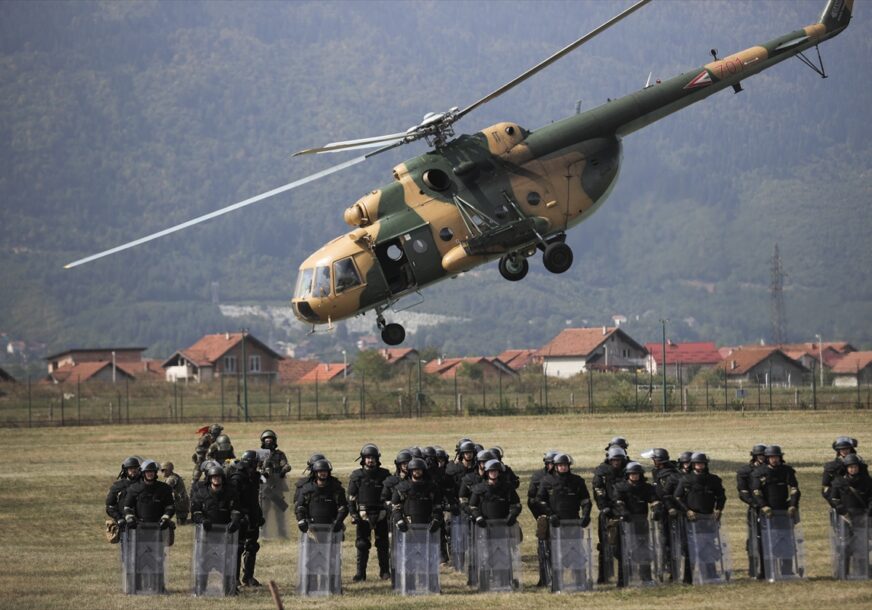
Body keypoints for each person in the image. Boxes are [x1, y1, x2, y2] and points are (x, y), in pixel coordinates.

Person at [536, 453, 591, 589]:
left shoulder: (577, 481)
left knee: (577, 551)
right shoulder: (546, 480)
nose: (563, 467)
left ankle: (580, 582)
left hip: (574, 522)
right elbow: (540, 500)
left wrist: (586, 515)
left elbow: (585, 500)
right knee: (556, 553)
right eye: (560, 465)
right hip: (556, 524)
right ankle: (557, 584)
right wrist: (550, 515)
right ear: (555, 467)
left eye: (565, 465)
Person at [469, 459, 522, 590]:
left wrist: (512, 515)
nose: (493, 473)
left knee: (503, 554)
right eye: (491, 471)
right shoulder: (479, 488)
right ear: (486, 472)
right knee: (486, 555)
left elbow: (516, 504)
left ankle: (505, 582)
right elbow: (472, 506)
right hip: (485, 527)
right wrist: (478, 517)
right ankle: (485, 583)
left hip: (503, 526)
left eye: (495, 471)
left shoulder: (506, 487)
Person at [673, 452, 726, 583]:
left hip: (708, 518)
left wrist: (719, 509)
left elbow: (721, 497)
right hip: (692, 519)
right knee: (690, 548)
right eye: (697, 463)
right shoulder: (685, 479)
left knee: (709, 546)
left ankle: (711, 575)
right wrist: (687, 511)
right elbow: (677, 497)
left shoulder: (713, 479)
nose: (699, 466)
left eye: (702, 463)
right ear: (692, 465)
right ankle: (688, 578)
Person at [750, 445, 801, 578]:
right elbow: (756, 491)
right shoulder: (759, 472)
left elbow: (794, 489)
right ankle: (769, 570)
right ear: (767, 458)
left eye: (776, 457)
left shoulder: (787, 471)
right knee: (769, 541)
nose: (774, 460)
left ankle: (787, 570)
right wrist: (764, 506)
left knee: (787, 540)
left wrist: (793, 505)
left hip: (784, 511)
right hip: (768, 512)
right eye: (771, 457)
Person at [190, 464, 242, 596]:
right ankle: (200, 590)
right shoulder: (201, 492)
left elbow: (236, 509)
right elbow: (195, 511)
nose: (216, 479)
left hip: (225, 534)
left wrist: (235, 520)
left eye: (218, 477)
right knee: (203, 562)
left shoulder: (230, 492)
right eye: (213, 477)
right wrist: (202, 520)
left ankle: (229, 590)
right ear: (209, 478)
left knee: (227, 562)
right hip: (206, 533)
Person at [347, 443, 391, 582]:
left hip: (381, 512)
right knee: (362, 544)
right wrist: (353, 514)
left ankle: (385, 571)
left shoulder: (385, 474)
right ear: (363, 459)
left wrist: (389, 512)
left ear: (377, 459)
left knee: (383, 543)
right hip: (363, 513)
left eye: (373, 457)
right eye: (367, 458)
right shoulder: (356, 476)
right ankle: (361, 573)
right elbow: (351, 498)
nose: (370, 460)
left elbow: (390, 495)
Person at [611, 461, 659, 587]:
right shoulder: (620, 487)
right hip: (626, 523)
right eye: (632, 474)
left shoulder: (646, 487)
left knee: (643, 549)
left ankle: (646, 578)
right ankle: (624, 580)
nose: (635, 476)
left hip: (642, 522)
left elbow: (654, 499)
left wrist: (656, 509)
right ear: (627, 475)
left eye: (637, 474)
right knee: (624, 551)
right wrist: (624, 512)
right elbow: (617, 501)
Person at [829, 453, 872, 579]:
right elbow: (834, 499)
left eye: (855, 467)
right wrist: (843, 511)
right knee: (844, 546)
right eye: (850, 467)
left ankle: (863, 572)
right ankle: (843, 573)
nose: (853, 469)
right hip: (845, 518)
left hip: (863, 517)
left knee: (862, 545)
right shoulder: (838, 482)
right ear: (846, 468)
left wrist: (869, 511)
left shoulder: (867, 481)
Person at [592, 445, 627, 584]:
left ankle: (626, 575)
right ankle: (604, 575)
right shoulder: (602, 471)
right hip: (608, 512)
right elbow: (598, 490)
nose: (616, 462)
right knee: (606, 545)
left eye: (619, 460)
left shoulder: (628, 469)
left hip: (624, 511)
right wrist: (604, 507)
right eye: (614, 460)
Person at [230, 450, 264, 587]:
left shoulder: (255, 477)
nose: (257, 465)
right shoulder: (237, 478)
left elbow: (254, 499)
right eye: (255, 463)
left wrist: (258, 515)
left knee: (252, 546)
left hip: (253, 515)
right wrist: (239, 515)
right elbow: (233, 499)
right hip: (241, 517)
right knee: (237, 547)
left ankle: (248, 577)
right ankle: (234, 578)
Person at [648, 448, 681, 581]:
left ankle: (670, 568)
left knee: (667, 540)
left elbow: (666, 494)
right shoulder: (659, 472)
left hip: (669, 512)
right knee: (663, 540)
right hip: (662, 510)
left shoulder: (667, 475)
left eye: (654, 459)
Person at [737, 444, 767, 579]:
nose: (763, 458)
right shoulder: (745, 471)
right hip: (755, 508)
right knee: (755, 538)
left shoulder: (771, 469)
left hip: (772, 507)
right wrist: (754, 503)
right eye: (760, 455)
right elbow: (743, 492)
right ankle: (754, 568)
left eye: (765, 456)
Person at [528, 449, 558, 587]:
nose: (552, 466)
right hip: (544, 517)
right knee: (543, 548)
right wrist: (539, 516)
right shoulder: (538, 476)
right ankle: (544, 577)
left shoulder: (563, 477)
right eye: (550, 463)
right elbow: (532, 500)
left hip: (561, 517)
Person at [295, 459, 348, 533]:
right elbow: (300, 507)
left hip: (332, 525)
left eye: (325, 471)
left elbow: (343, 507)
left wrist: (339, 521)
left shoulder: (336, 488)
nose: (323, 473)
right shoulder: (307, 489)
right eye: (320, 471)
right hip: (312, 527)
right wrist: (301, 520)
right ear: (315, 473)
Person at [105, 456, 141, 543]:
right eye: (131, 469)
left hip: (143, 525)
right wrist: (118, 518)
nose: (133, 471)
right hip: (125, 525)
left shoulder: (144, 484)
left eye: (135, 468)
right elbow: (110, 506)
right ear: (126, 470)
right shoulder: (117, 486)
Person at [822, 436, 864, 508]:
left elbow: (865, 479)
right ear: (839, 451)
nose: (845, 451)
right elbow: (825, 485)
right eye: (842, 449)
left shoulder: (860, 463)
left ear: (851, 449)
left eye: (847, 448)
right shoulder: (831, 467)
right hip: (840, 498)